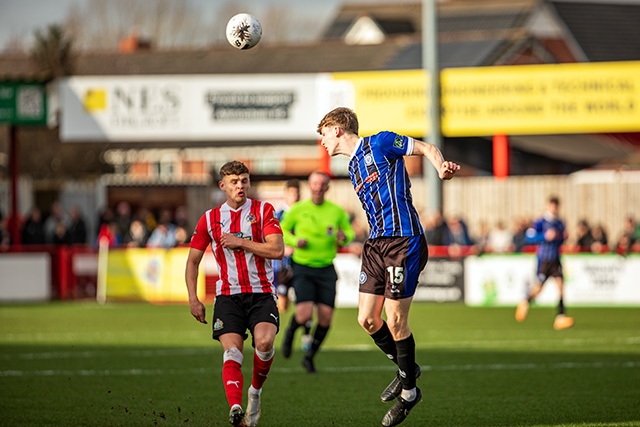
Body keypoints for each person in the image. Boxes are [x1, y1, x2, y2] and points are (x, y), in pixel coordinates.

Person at [316, 107, 460, 427]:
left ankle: (409, 393)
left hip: (403, 241)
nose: (322, 142)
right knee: (367, 320)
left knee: (395, 320)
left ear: (337, 130)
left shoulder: (380, 143)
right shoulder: (354, 167)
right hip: (375, 245)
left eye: (323, 134)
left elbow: (425, 147)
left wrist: (441, 169)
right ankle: (407, 368)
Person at [185, 161, 284, 427]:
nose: (240, 186)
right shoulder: (209, 218)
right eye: (234, 182)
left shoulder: (264, 211)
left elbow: (277, 251)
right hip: (228, 297)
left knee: (264, 344)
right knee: (232, 353)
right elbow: (192, 261)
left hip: (261, 293)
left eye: (244, 180)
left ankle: (255, 391)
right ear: (223, 186)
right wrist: (194, 299)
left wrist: (241, 241)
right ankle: (236, 408)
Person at [279, 170, 355, 374]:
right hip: (302, 266)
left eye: (322, 184)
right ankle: (290, 333)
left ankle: (310, 356)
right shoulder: (297, 210)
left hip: (326, 267)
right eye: (314, 184)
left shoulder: (336, 211)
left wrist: (343, 237)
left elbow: (348, 233)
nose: (318, 187)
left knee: (325, 318)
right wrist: (295, 241)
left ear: (327, 188)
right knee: (303, 315)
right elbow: (281, 230)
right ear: (309, 186)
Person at [515, 196, 574, 330]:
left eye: (556, 206)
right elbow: (528, 237)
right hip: (544, 260)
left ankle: (560, 317)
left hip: (556, 259)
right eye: (552, 206)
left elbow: (559, 241)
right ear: (548, 206)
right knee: (539, 289)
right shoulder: (540, 222)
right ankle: (526, 301)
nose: (554, 209)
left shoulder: (560, 223)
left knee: (561, 287)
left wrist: (563, 237)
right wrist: (544, 236)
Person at [272, 179, 314, 351]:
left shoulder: (306, 213)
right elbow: (272, 237)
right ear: (286, 195)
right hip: (282, 266)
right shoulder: (279, 215)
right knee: (282, 305)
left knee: (305, 301)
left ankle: (306, 336)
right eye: (291, 193)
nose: (294, 197)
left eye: (297, 193)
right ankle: (275, 334)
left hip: (302, 265)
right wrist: (284, 247)